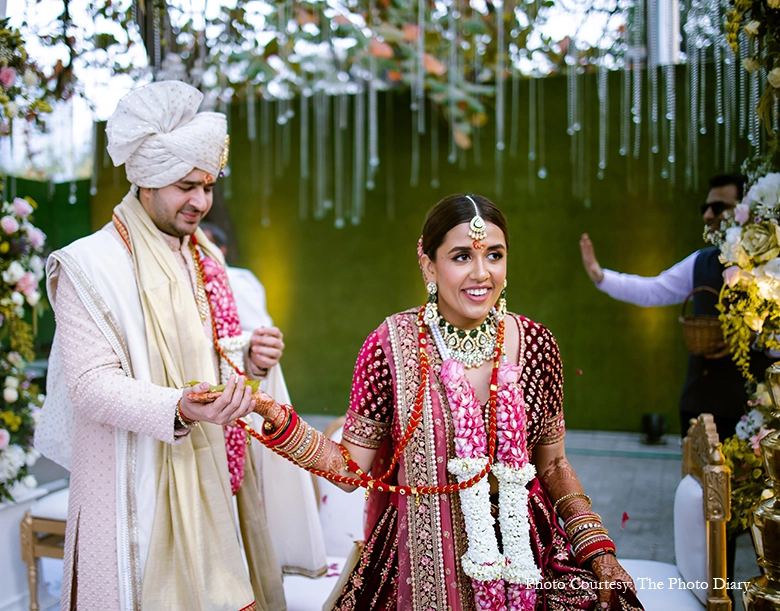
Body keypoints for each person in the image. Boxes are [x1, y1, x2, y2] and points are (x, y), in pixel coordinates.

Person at [193, 194, 643, 610]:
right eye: (461, 256)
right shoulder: (390, 345)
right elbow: (350, 471)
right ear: (428, 265)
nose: (481, 273)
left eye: (494, 255)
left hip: (526, 551)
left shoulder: (537, 344)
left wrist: (596, 549)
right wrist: (271, 412)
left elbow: (553, 463)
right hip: (417, 559)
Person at [36, 80, 287, 611]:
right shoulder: (88, 265)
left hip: (207, 471)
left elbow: (206, 352)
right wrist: (178, 406)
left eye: (208, 186)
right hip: (127, 482)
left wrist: (247, 357)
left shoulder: (203, 256)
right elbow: (89, 385)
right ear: (146, 181)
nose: (201, 202)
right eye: (185, 186)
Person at [579, 173, 773, 441]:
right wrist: (600, 276)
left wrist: (750, 338)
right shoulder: (701, 262)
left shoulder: (772, 266)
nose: (707, 215)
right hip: (700, 403)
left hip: (757, 411)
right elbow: (652, 291)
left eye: (718, 207)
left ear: (746, 211)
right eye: (705, 208)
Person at [200, 222, 328, 577]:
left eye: (208, 248)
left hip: (241, 405)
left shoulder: (239, 282)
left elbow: (256, 339)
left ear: (222, 252)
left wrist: (256, 356)